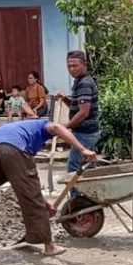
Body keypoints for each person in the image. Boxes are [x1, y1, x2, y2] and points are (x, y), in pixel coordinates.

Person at [0, 118, 98, 260]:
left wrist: (46, 204)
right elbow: (57, 127)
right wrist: (82, 149)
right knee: (31, 198)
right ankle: (49, 247)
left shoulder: (14, 128)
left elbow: (23, 184)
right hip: (13, 149)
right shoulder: (43, 124)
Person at [55, 51, 101, 180]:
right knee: (88, 166)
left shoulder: (84, 84)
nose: (71, 69)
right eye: (69, 66)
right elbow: (78, 108)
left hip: (85, 134)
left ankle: (77, 198)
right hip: (86, 132)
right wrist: (64, 99)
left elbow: (83, 113)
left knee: (74, 167)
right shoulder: (79, 81)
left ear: (84, 64)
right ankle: (92, 196)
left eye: (75, 65)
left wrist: (65, 127)